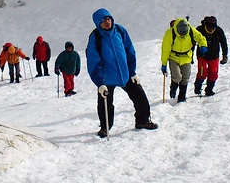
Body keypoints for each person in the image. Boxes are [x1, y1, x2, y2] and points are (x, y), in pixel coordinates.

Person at [87, 8, 158, 138]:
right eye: (103, 21)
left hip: (125, 74)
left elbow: (130, 51)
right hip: (106, 78)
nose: (107, 22)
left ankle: (142, 121)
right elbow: (93, 61)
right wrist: (100, 82)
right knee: (105, 105)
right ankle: (105, 127)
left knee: (140, 98)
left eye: (108, 18)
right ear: (98, 24)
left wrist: (132, 72)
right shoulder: (95, 37)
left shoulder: (120, 30)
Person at [161, 18, 208, 103]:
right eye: (180, 33)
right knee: (177, 77)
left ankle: (182, 97)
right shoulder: (170, 33)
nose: (182, 35)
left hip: (186, 57)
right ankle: (173, 87)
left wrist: (203, 45)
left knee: (185, 78)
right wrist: (164, 63)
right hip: (174, 57)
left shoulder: (191, 30)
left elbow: (200, 38)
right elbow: (165, 49)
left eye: (184, 33)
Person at [194, 16, 228, 96]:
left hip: (214, 56)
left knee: (213, 73)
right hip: (202, 56)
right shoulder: (199, 30)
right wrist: (190, 55)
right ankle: (197, 88)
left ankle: (209, 89)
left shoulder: (219, 31)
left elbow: (224, 43)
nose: (211, 30)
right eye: (209, 28)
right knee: (202, 73)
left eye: (213, 28)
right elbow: (192, 42)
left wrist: (225, 55)